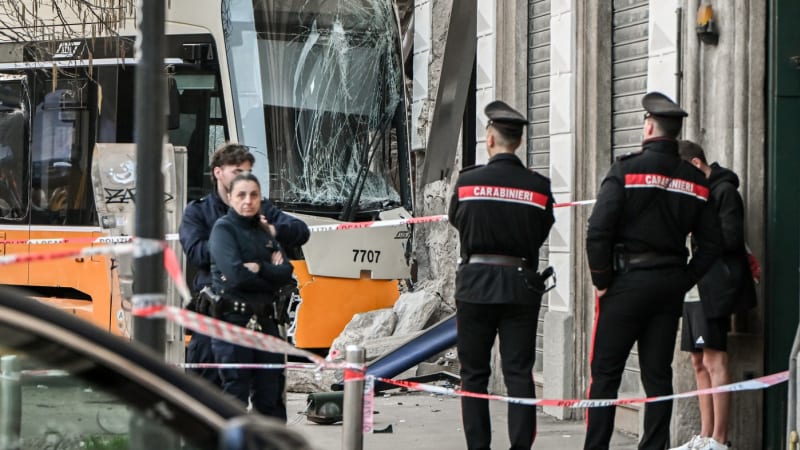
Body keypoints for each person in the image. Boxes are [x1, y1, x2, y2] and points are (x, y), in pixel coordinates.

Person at [584, 92, 723, 450]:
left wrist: (602, 280)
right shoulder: (695, 181)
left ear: (648, 127)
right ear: (676, 134)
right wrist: (684, 280)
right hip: (668, 288)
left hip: (625, 284)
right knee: (658, 377)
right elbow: (712, 246)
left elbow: (598, 230)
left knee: (605, 376)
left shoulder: (625, 171)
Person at [448, 100, 555, 450]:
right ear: (519, 143)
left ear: (489, 139)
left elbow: (456, 220)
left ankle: (478, 447)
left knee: (474, 375)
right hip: (520, 286)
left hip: (476, 284)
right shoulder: (539, 188)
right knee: (518, 374)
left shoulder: (468, 182)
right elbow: (542, 230)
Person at [178, 143, 309, 387]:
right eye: (237, 172)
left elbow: (300, 231)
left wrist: (271, 230)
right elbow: (197, 254)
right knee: (206, 395)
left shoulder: (261, 207)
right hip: (216, 319)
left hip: (259, 318)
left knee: (268, 401)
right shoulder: (198, 212)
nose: (245, 178)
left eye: (248, 172)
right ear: (218, 172)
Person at [670, 141, 757, 450]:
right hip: (693, 287)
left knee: (714, 359)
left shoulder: (724, 192)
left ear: (695, 165)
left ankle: (720, 439)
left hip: (714, 288)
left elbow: (732, 238)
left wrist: (697, 228)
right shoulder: (695, 196)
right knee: (697, 361)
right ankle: (705, 435)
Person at [209, 171, 294, 419]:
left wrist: (259, 268)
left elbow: (287, 272)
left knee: (270, 397)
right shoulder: (223, 230)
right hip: (233, 323)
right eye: (241, 195)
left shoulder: (264, 231)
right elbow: (236, 275)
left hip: (266, 323)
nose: (248, 201)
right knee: (234, 397)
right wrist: (269, 272)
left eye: (254, 195)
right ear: (231, 198)